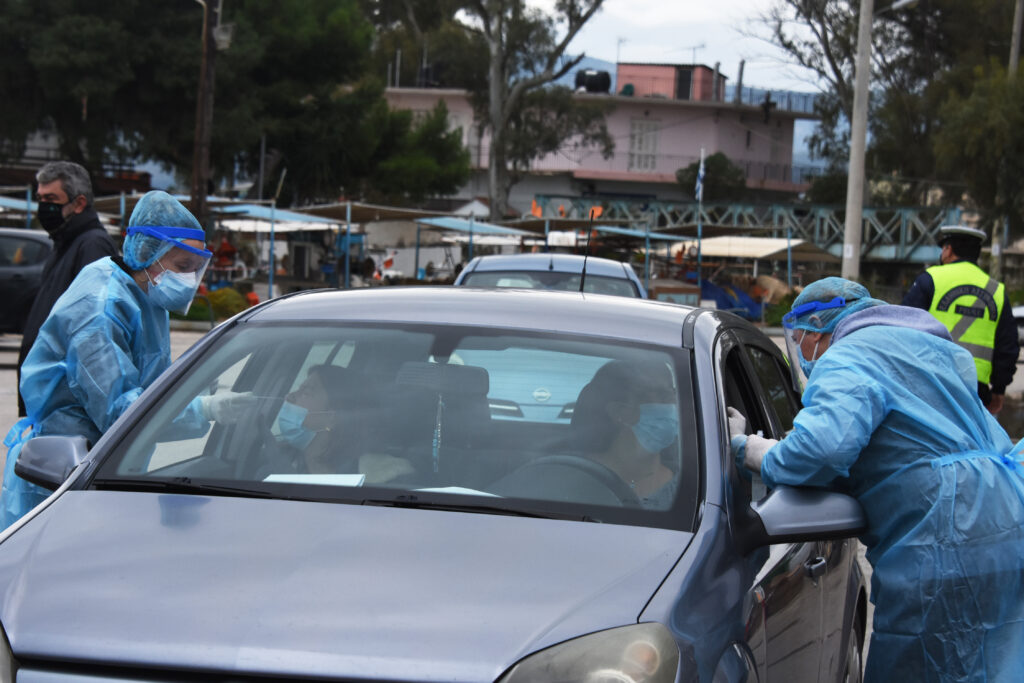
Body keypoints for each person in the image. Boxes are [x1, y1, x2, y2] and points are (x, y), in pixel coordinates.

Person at [729, 277, 1024, 682]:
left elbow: (822, 451)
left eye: (798, 340)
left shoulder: (849, 356)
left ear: (817, 329)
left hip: (944, 533)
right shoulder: (936, 350)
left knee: (927, 662)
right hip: (1005, 517)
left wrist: (751, 450)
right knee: (996, 660)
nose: (801, 352)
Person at [0, 190, 232, 529]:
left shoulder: (147, 295)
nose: (189, 281)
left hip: (109, 468)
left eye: (196, 269)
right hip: (64, 475)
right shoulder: (100, 307)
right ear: (147, 252)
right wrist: (207, 410)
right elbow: (121, 412)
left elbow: (154, 385)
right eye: (183, 266)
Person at [17, 161, 118, 417]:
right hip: (48, 401)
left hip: (65, 404)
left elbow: (92, 332)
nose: (44, 207)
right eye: (40, 198)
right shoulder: (64, 243)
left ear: (79, 203)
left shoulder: (92, 246)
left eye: (51, 199)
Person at [902, 224, 1019, 415]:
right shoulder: (996, 290)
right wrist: (999, 389)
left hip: (929, 381)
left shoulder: (930, 279)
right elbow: (1007, 346)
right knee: (969, 443)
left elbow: (901, 325)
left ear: (948, 250)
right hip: (974, 390)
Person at [256, 364, 413, 484]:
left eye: (306, 392)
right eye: (298, 389)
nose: (289, 396)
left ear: (332, 417)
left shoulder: (381, 476)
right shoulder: (270, 472)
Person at [570, 359, 680, 508]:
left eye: (669, 395)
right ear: (619, 412)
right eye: (658, 395)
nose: (669, 406)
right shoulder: (571, 476)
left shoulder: (693, 487)